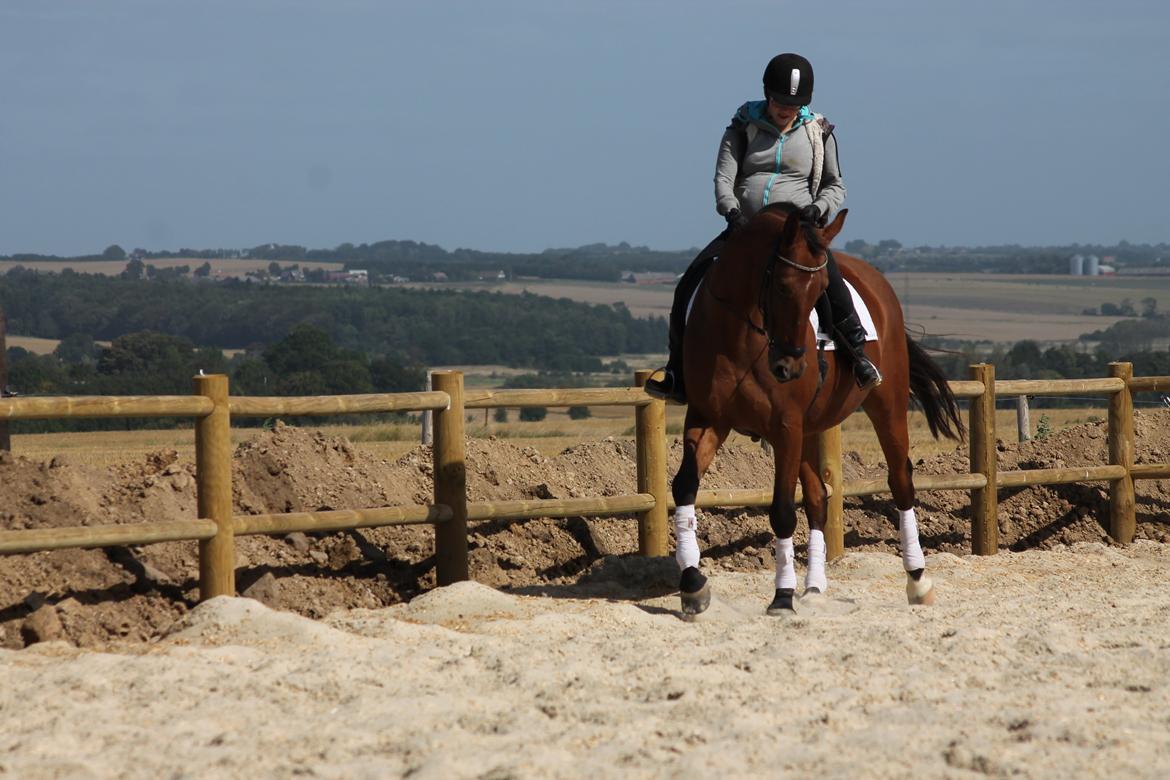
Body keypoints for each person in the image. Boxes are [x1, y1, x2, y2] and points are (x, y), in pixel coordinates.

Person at [645, 52, 880, 403]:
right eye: (781, 101)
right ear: (767, 95)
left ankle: (857, 353)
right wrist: (732, 211)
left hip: (797, 230)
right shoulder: (742, 126)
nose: (786, 109)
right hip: (746, 230)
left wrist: (819, 208)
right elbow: (724, 177)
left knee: (828, 276)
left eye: (794, 104)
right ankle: (677, 369)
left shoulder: (819, 132)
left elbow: (836, 185)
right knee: (689, 283)